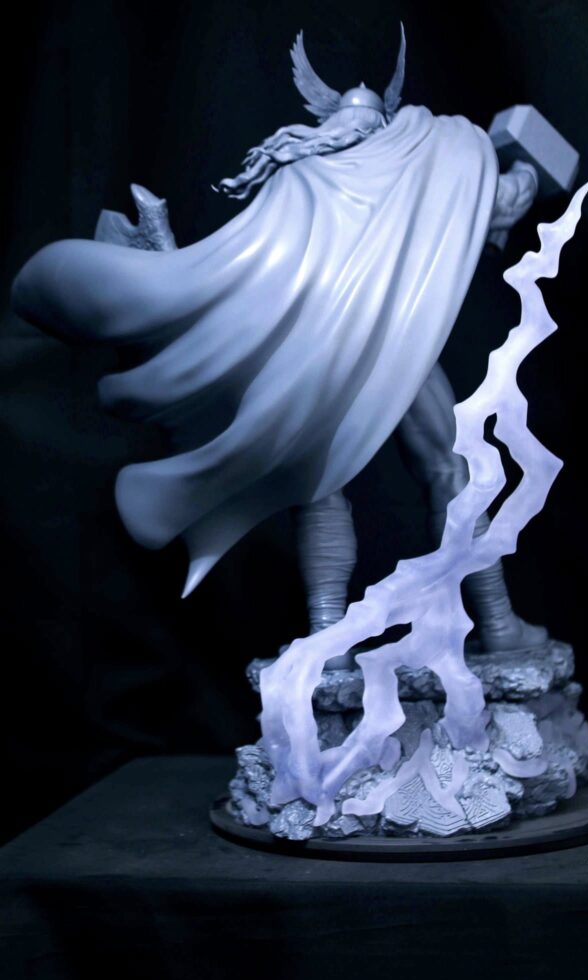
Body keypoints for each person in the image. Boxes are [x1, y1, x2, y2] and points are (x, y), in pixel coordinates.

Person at [11, 24, 544, 657]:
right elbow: (504, 200)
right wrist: (525, 166)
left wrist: (172, 266)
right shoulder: (418, 163)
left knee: (322, 483)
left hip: (322, 351)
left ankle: (337, 642)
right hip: (389, 345)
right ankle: (484, 627)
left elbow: (241, 269)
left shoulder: (304, 178)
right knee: (438, 468)